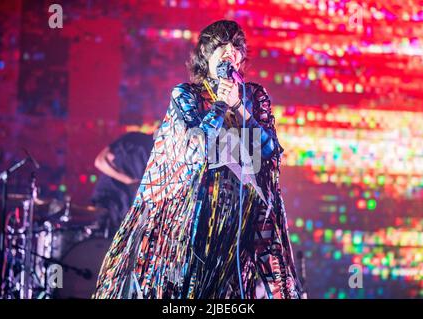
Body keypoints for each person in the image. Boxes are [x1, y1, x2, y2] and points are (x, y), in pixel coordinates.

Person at [93, 20, 302, 299]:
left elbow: (269, 153)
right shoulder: (186, 95)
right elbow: (197, 147)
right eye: (222, 46)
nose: (230, 51)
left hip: (242, 221)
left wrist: (240, 107)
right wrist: (220, 106)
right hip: (197, 218)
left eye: (237, 47)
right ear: (206, 54)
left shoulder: (254, 96)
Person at [91, 132, 154, 234]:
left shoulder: (153, 151)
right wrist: (129, 181)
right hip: (109, 202)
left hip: (123, 209)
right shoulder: (134, 139)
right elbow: (100, 162)